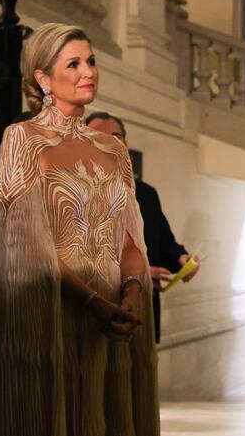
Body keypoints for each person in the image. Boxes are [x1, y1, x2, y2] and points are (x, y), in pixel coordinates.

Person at [0, 23, 159, 436]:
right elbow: (25, 246)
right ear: (43, 78)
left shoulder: (114, 148)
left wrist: (130, 294)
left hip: (114, 315)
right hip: (54, 311)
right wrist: (92, 301)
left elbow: (130, 237)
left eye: (90, 61)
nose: (88, 71)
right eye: (73, 63)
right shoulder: (21, 138)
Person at [85, 111, 200, 343]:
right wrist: (140, 274)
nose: (111, 143)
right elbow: (79, 259)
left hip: (144, 312)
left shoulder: (146, 193)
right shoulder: (79, 193)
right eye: (100, 137)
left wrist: (181, 259)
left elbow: (164, 242)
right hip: (98, 314)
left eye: (117, 136)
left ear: (126, 143)